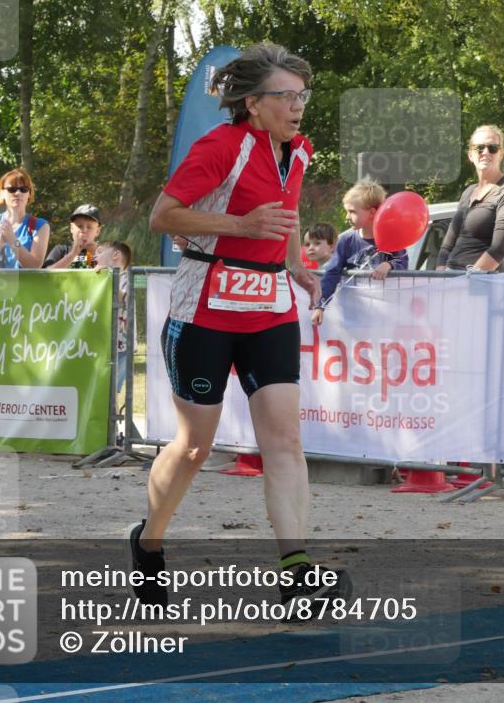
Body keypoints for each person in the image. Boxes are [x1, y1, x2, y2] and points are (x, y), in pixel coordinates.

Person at [133, 42, 350, 611]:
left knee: (284, 437)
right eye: (286, 96)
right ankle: (149, 544)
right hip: (204, 306)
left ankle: (297, 572)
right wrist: (238, 222)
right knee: (194, 447)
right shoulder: (221, 146)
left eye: (302, 96)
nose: (298, 106)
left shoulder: (298, 151)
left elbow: (288, 213)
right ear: (253, 104)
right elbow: (164, 215)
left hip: (270, 307)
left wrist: (296, 263)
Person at [311, 180, 407, 326]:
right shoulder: (345, 240)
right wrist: (320, 305)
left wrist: (389, 264)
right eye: (347, 211)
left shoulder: (391, 238)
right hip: (355, 317)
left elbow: (403, 263)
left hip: (386, 317)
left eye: (352, 212)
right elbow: (331, 274)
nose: (347, 217)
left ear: (372, 212)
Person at [436, 125, 504, 273]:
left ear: (501, 154)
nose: (485, 152)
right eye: (479, 148)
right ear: (470, 155)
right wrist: (441, 274)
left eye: (493, 148)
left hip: (483, 283)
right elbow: (448, 243)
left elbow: (499, 249)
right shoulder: (468, 192)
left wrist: (468, 279)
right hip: (452, 280)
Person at [0, 168, 51, 269]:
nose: (18, 193)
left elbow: (35, 266)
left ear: (29, 194)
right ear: (2, 193)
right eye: (12, 189)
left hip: (23, 285)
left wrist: (12, 240)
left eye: (23, 189)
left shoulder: (40, 226)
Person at [95, 240, 132, 394]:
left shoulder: (125, 276)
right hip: (103, 342)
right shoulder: (102, 276)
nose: (95, 257)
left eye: (100, 252)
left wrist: (108, 277)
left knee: (112, 389)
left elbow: (124, 297)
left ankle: (111, 415)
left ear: (115, 254)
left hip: (121, 344)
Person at [43, 204, 102, 269]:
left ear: (97, 231)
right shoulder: (61, 250)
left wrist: (95, 255)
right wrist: (73, 254)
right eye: (79, 226)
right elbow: (46, 275)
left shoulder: (104, 252)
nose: (84, 230)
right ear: (71, 228)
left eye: (89, 227)